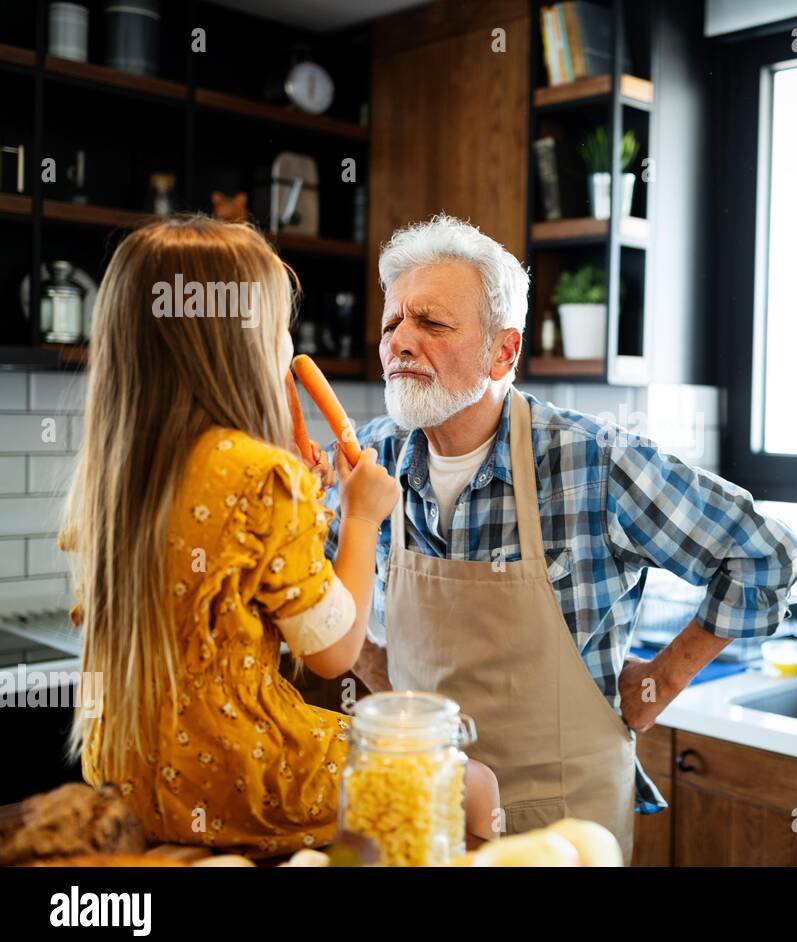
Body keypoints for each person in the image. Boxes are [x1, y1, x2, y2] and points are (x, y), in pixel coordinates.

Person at [325, 214, 797, 862]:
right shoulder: (370, 461)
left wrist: (662, 680)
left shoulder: (593, 462)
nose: (400, 343)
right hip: (426, 815)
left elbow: (765, 554)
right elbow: (320, 590)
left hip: (561, 828)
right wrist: (377, 669)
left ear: (504, 351)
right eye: (391, 325)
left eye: (431, 324)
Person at [63, 215, 498, 857]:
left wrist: (309, 498)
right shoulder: (259, 474)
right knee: (476, 784)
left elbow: (228, 573)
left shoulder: (118, 471)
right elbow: (332, 651)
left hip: (130, 772)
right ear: (234, 345)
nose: (288, 346)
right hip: (238, 772)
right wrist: (360, 517)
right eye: (277, 329)